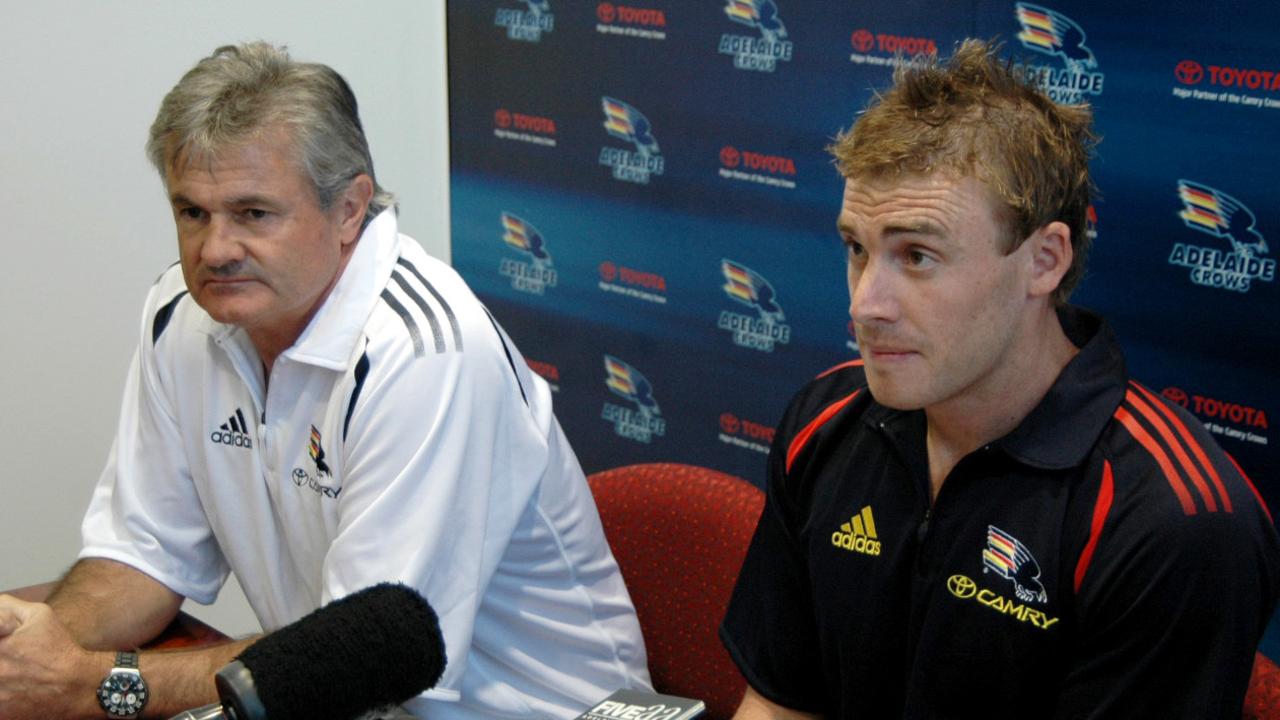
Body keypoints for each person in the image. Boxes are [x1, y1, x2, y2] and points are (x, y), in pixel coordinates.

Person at [0, 42, 649, 719]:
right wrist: (36, 656)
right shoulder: (182, 315)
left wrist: (96, 685)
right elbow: (143, 558)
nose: (214, 250)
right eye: (192, 212)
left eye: (253, 213)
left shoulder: (425, 355)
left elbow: (355, 663)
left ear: (348, 210)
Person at [720, 39, 1280, 719]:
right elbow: (780, 704)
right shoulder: (824, 419)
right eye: (857, 249)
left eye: (918, 255)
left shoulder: (1173, 522)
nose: (865, 303)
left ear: (1043, 261)